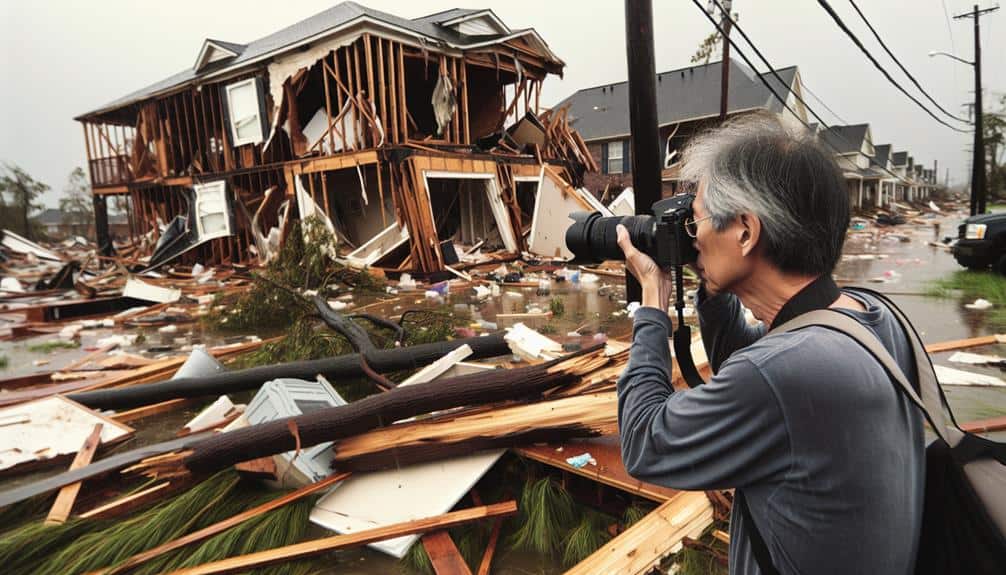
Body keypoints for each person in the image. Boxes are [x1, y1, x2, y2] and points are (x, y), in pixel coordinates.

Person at [615, 113, 924, 574]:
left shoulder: (786, 371)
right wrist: (708, 281)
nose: (692, 236)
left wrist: (653, 308)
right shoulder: (869, 318)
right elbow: (746, 360)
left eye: (695, 220)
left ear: (745, 230)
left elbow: (644, 442)